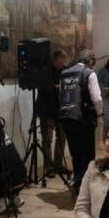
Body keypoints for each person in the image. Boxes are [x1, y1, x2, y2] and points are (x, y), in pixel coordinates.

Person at [59, 49, 103, 190]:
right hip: (84, 119)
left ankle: (78, 182)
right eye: (93, 62)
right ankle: (87, 185)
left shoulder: (64, 73)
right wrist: (100, 114)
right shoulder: (89, 73)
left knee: (75, 153)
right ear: (90, 61)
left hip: (67, 118)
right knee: (88, 153)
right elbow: (96, 97)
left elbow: (61, 95)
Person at [37, 49, 70, 177]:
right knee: (47, 139)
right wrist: (56, 86)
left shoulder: (65, 70)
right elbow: (44, 86)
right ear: (54, 60)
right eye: (59, 62)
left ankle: (58, 164)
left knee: (62, 137)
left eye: (63, 62)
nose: (61, 65)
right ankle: (48, 167)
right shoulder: (45, 71)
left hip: (60, 109)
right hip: (47, 109)